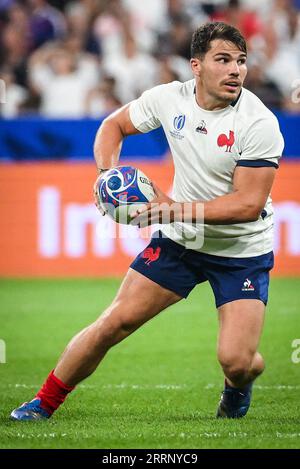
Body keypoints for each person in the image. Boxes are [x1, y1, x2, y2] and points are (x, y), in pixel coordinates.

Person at [11, 21, 284, 421]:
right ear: (196, 66)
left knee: (237, 361)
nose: (235, 70)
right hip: (181, 242)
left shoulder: (258, 122)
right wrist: (108, 176)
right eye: (223, 60)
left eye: (241, 61)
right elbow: (113, 126)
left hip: (241, 250)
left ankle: (239, 384)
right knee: (113, 323)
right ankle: (43, 403)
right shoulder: (169, 99)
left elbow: (246, 205)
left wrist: (174, 209)